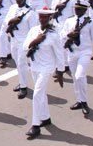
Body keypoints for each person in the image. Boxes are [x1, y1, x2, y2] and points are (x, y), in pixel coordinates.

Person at [22, 8, 66, 139]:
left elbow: (59, 54)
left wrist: (60, 71)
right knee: (40, 94)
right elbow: (25, 47)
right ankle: (45, 117)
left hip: (46, 68)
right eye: (41, 17)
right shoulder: (34, 31)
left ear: (49, 19)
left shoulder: (53, 35)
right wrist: (36, 40)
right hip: (35, 65)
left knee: (37, 94)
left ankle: (35, 125)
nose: (42, 20)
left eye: (45, 18)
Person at [60, 0, 93, 115]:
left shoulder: (91, 23)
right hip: (72, 52)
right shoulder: (69, 21)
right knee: (75, 77)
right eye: (76, 8)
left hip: (85, 52)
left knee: (80, 76)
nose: (77, 11)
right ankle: (79, 99)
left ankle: (84, 101)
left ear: (85, 10)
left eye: (79, 9)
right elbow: (62, 35)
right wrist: (68, 35)